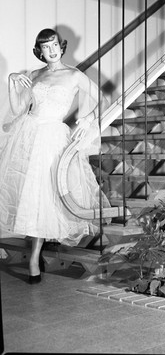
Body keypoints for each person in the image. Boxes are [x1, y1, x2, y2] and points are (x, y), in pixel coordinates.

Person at [0, 28, 110, 284]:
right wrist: (11, 82)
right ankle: (33, 257)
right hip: (28, 135)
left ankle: (34, 256)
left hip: (52, 137)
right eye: (45, 47)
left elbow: (103, 99)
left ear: (62, 47)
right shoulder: (34, 75)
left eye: (54, 45)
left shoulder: (74, 75)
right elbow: (18, 109)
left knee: (48, 195)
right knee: (32, 194)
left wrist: (90, 117)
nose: (50, 50)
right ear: (39, 50)